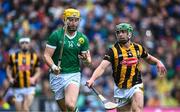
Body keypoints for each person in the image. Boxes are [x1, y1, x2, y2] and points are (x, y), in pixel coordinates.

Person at [86, 23, 167, 112]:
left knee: (138, 109)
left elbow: (148, 58)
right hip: (120, 90)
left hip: (135, 85)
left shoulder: (138, 48)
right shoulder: (113, 51)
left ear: (129, 34)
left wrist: (158, 62)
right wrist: (92, 79)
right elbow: (102, 67)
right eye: (118, 32)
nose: (120, 34)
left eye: (123, 32)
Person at [44, 8, 91, 111]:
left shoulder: (82, 38)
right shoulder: (56, 36)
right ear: (64, 20)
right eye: (70, 20)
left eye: (76, 20)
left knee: (70, 105)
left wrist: (86, 60)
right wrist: (53, 66)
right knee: (65, 110)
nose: (73, 23)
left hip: (73, 74)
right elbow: (46, 55)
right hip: (56, 75)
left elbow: (88, 62)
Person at [6, 37, 41, 112]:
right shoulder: (13, 57)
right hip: (17, 87)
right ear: (20, 44)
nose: (24, 45)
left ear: (29, 45)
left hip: (30, 87)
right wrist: (10, 78)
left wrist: (34, 78)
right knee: (19, 110)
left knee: (25, 108)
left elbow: (38, 71)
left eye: (26, 43)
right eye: (22, 43)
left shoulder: (34, 57)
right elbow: (8, 69)